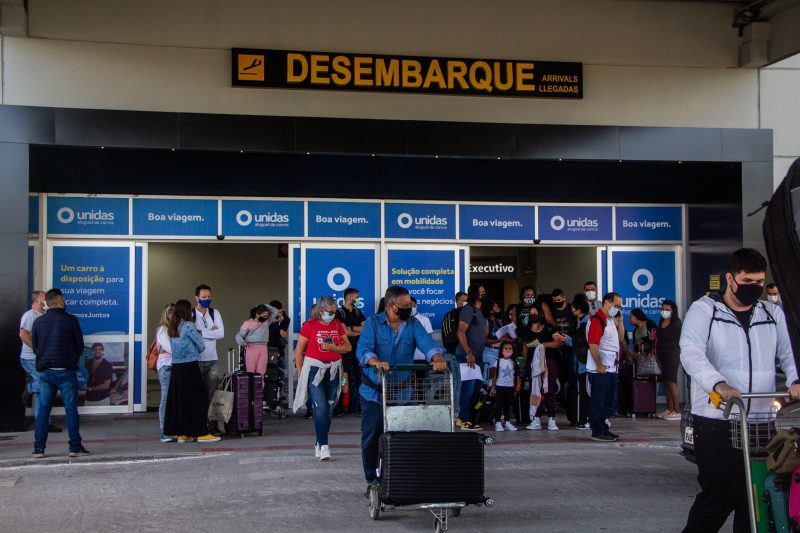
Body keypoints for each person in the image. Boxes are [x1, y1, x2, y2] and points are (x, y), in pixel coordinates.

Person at [681, 248, 800, 533]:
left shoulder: (772, 314)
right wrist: (718, 384)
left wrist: (795, 381)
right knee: (720, 495)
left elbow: (789, 354)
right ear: (730, 279)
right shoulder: (705, 310)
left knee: (756, 496)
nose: (754, 288)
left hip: (760, 420)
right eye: (747, 281)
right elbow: (691, 353)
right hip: (716, 420)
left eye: (759, 282)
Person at [357, 285, 446, 492]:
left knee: (402, 437)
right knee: (371, 435)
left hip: (402, 391)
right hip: (374, 392)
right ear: (391, 306)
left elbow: (427, 343)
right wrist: (375, 361)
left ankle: (398, 476)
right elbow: (364, 349)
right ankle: (372, 479)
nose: (409, 309)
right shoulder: (372, 323)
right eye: (406, 306)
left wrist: (437, 357)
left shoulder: (413, 324)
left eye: (411, 305)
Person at [30, 288, 89, 458]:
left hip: (46, 372)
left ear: (47, 302)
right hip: (66, 371)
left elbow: (35, 347)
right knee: (71, 409)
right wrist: (70, 361)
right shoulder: (71, 320)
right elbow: (79, 346)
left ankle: (39, 449)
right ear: (61, 301)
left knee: (44, 410)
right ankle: (74, 447)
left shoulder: (39, 322)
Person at [292, 296, 351, 461]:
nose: (333, 315)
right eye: (330, 312)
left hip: (333, 369)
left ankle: (319, 442)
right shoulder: (309, 325)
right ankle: (324, 446)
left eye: (334, 312)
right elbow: (299, 351)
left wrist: (334, 347)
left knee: (330, 408)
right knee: (322, 407)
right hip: (314, 370)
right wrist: (300, 372)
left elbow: (348, 347)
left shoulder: (337, 325)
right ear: (321, 311)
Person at [163, 299, 221, 444]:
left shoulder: (172, 326)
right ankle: (201, 433)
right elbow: (201, 345)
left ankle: (183, 434)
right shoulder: (188, 325)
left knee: (180, 402)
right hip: (190, 366)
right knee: (198, 400)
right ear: (186, 311)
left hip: (176, 368)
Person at [19, 290, 61, 433]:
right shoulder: (30, 315)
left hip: (40, 358)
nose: (47, 301)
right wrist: (37, 349)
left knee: (42, 391)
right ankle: (29, 388)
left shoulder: (43, 315)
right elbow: (23, 334)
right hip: (31, 358)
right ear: (37, 301)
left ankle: (43, 422)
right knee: (47, 383)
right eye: (44, 298)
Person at [586, 292, 623, 442]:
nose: (618, 308)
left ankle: (604, 428)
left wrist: (620, 321)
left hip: (611, 368)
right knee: (598, 400)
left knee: (607, 400)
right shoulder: (597, 320)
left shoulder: (610, 320)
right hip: (601, 369)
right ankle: (597, 430)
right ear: (607, 303)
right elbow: (593, 344)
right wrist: (599, 365)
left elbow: (620, 338)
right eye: (616, 305)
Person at [455, 284, 490, 430]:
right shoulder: (468, 310)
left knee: (475, 389)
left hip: (478, 356)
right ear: (474, 294)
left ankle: (466, 418)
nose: (484, 294)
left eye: (484, 292)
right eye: (481, 292)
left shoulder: (481, 312)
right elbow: (460, 332)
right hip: (467, 356)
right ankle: (463, 419)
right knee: (468, 390)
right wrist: (468, 353)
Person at [554, 297, 592, 429]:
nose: (571, 309)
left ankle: (586, 419)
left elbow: (581, 343)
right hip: (581, 364)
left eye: (573, 308)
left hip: (586, 365)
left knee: (586, 393)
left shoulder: (586, 324)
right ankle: (583, 418)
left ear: (579, 310)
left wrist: (568, 339)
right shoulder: (579, 323)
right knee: (582, 392)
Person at [522, 314, 565, 430]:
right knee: (535, 390)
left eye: (536, 312)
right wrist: (524, 364)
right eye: (531, 312)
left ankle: (552, 419)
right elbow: (525, 347)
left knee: (549, 390)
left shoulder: (549, 328)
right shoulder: (526, 329)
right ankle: (536, 419)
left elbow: (560, 342)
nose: (533, 314)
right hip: (533, 363)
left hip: (548, 361)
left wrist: (544, 345)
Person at [193, 284, 224, 435]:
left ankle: (213, 426)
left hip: (212, 359)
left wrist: (201, 332)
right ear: (196, 298)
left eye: (209, 297)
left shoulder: (214, 312)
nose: (207, 299)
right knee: (197, 394)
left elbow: (221, 333)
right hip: (196, 360)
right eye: (204, 297)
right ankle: (199, 425)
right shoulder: (191, 314)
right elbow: (191, 334)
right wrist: (210, 331)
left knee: (212, 394)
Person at [336, 288, 366, 414]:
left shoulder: (359, 313)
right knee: (343, 379)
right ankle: (340, 407)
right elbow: (345, 332)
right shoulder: (339, 313)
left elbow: (365, 329)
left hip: (357, 352)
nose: (358, 299)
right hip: (344, 352)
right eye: (357, 297)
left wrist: (352, 328)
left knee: (360, 378)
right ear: (350, 297)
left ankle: (359, 407)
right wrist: (355, 330)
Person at [235, 302, 279, 379]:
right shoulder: (248, 323)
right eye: (264, 316)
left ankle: (259, 390)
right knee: (251, 372)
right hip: (251, 347)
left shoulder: (266, 322)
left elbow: (275, 311)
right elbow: (238, 335)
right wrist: (242, 342)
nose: (266, 317)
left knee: (261, 373)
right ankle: (251, 390)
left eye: (267, 316)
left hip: (263, 347)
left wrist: (264, 305)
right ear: (257, 314)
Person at [655, 300, 682, 420]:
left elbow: (682, 338)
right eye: (663, 309)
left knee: (671, 382)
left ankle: (677, 410)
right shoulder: (662, 321)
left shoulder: (676, 323)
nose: (664, 312)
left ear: (673, 311)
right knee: (665, 383)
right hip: (662, 355)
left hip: (672, 355)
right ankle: (669, 409)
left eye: (667, 310)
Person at [155, 303, 175, 442]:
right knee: (166, 398)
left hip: (175, 365)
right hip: (166, 366)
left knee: (172, 399)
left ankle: (172, 428)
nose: (173, 316)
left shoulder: (176, 329)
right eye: (170, 313)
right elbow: (170, 348)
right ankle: (164, 430)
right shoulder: (163, 329)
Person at [490, 340, 520, 432]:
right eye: (506, 348)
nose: (508, 350)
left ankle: (507, 422)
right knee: (499, 405)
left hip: (510, 387)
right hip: (499, 387)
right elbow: (495, 375)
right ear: (502, 350)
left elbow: (517, 375)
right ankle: (498, 422)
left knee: (507, 405)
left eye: (510, 349)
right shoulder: (498, 362)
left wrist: (518, 385)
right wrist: (493, 387)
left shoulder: (514, 362)